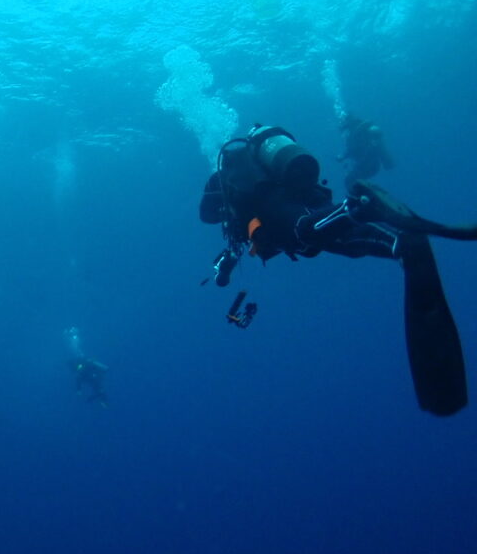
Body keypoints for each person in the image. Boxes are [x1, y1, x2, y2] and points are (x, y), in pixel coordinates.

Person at [200, 124, 477, 416]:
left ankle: (355, 209)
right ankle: (397, 241)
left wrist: (222, 200)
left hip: (285, 212)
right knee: (347, 240)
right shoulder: (258, 171)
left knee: (303, 232)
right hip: (307, 198)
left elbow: (206, 215)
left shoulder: (228, 177)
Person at [338, 114, 394, 190]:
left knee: (349, 180)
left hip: (368, 164)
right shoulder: (360, 131)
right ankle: (364, 195)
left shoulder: (357, 133)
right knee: (353, 180)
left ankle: (361, 197)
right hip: (371, 165)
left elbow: (354, 149)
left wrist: (343, 156)